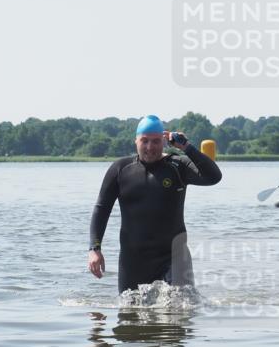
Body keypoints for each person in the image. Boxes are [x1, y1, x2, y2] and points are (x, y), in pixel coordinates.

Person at [88, 115, 222, 292]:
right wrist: (94, 249)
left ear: (165, 141)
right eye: (145, 141)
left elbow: (213, 177)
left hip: (174, 257)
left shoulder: (178, 166)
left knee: (180, 304)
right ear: (136, 141)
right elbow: (101, 209)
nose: (150, 147)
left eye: (156, 141)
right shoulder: (121, 169)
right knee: (130, 308)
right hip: (133, 260)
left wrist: (186, 147)